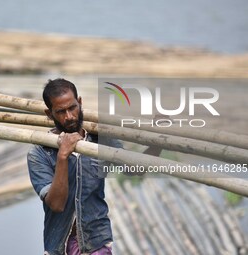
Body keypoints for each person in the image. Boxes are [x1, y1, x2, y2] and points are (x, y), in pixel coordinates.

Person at [27, 78, 162, 255]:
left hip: (97, 241)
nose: (69, 117)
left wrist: (159, 142)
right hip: (59, 245)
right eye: (60, 111)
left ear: (80, 103)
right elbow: (57, 204)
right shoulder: (39, 153)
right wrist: (62, 155)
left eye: (72, 108)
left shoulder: (101, 139)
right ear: (49, 113)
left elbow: (135, 169)